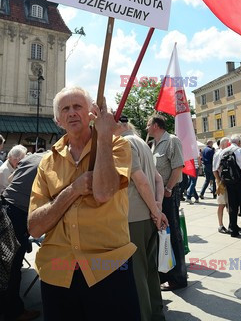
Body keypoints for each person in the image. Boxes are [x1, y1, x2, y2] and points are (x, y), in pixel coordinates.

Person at [28, 87, 141, 321]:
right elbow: (35, 227)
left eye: (78, 106)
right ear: (58, 120)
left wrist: (105, 137)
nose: (71, 113)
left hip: (108, 268)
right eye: (65, 109)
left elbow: (103, 192)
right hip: (57, 272)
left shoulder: (118, 146)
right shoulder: (47, 162)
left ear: (91, 113)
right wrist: (73, 189)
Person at [115, 116, 168, 321]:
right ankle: (156, 313)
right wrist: (158, 208)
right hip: (147, 216)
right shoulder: (142, 143)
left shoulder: (124, 143)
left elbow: (141, 181)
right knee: (149, 270)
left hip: (133, 217)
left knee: (137, 273)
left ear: (118, 125)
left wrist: (156, 211)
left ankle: (144, 316)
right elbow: (158, 179)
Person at [1, 152, 44, 321]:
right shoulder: (54, 161)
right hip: (18, 214)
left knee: (4, 264)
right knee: (12, 268)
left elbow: (11, 179)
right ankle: (15, 312)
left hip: (4, 206)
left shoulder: (32, 156)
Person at [146, 115, 187, 291]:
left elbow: (178, 167)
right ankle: (165, 274)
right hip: (159, 194)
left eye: (148, 124)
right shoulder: (154, 144)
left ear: (156, 125)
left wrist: (169, 189)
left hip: (169, 193)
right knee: (163, 234)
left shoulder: (172, 141)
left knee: (173, 233)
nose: (146, 128)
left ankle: (178, 278)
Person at [213, 137, 230, 233]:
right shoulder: (218, 153)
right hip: (221, 182)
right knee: (221, 203)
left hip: (227, 181)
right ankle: (220, 225)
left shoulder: (226, 152)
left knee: (228, 203)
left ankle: (231, 224)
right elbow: (214, 169)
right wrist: (219, 182)